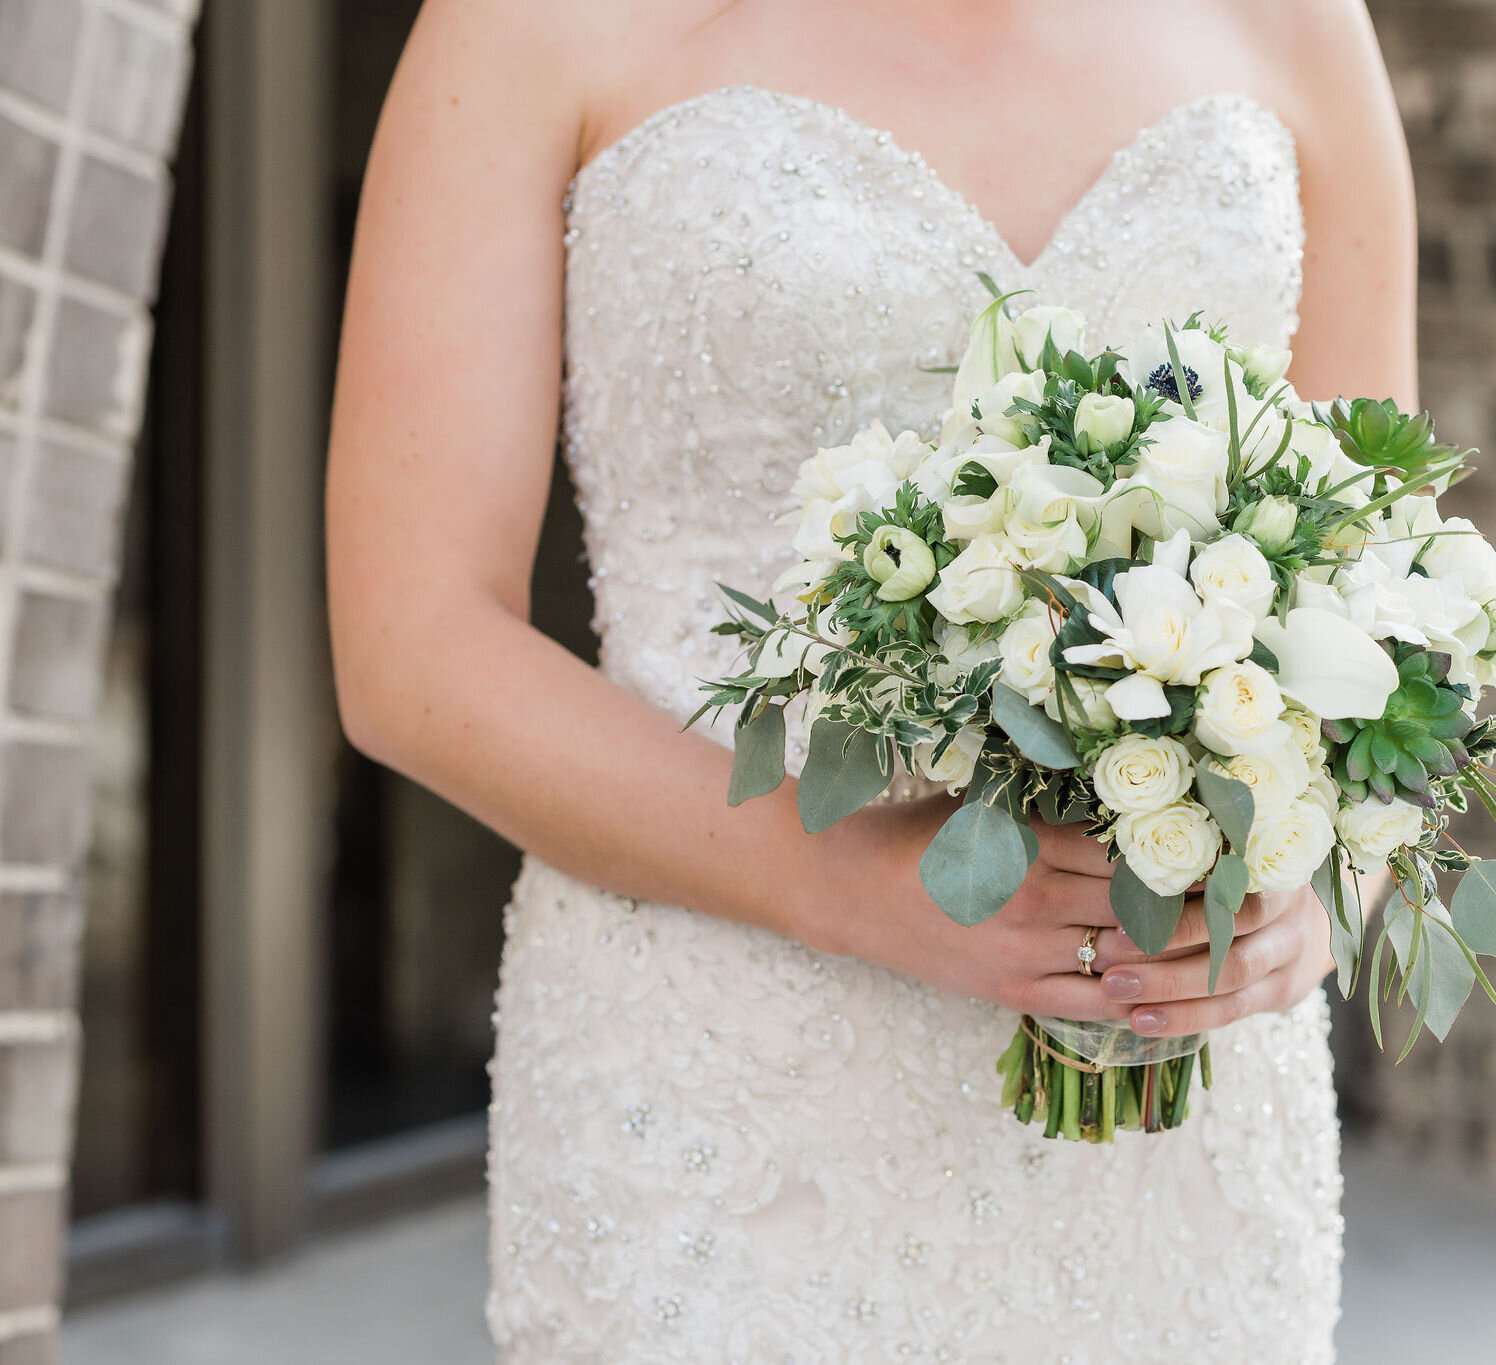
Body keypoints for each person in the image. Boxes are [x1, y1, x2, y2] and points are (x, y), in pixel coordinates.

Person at [326, 0, 1416, 1358]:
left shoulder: (1299, 24)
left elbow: (1383, 601)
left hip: (1176, 1155)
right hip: (736, 1114)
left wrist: (1310, 898)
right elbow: (413, 646)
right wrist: (841, 876)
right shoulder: (530, 25)